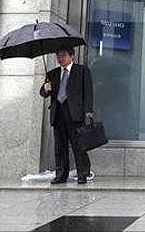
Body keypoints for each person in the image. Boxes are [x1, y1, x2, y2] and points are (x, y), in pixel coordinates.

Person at [39, 46, 94, 184]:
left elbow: (88, 92)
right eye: (58, 55)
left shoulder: (81, 71)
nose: (60, 58)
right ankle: (61, 175)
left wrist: (88, 111)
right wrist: (46, 89)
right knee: (60, 146)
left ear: (72, 56)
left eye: (63, 55)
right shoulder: (52, 73)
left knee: (78, 145)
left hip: (75, 114)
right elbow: (44, 92)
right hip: (58, 114)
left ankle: (83, 173)